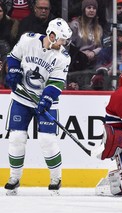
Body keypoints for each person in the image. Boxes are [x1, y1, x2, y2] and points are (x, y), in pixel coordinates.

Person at [4, 17, 72, 195]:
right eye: (61, 39)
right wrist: (13, 71)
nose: (63, 43)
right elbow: (13, 57)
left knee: (47, 140)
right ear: (51, 35)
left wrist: (46, 99)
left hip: (45, 100)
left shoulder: (63, 57)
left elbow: (56, 83)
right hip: (22, 98)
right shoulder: (28, 39)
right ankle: (14, 178)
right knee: (16, 137)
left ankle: (55, 179)